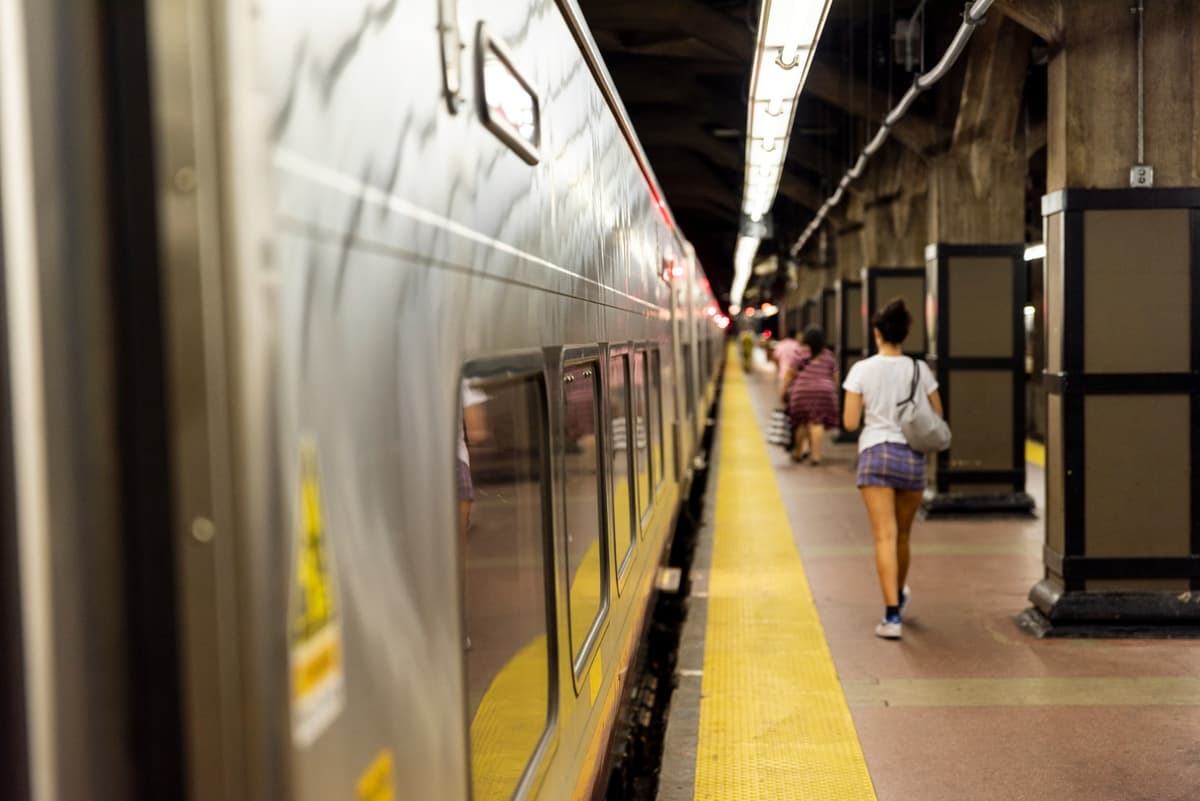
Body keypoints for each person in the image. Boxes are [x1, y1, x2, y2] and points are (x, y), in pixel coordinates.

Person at [841, 298, 943, 640]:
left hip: (875, 454)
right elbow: (936, 417)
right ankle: (898, 596)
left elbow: (850, 421)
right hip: (911, 457)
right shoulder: (919, 370)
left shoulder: (861, 370)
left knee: (883, 536)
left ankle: (892, 617)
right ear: (904, 334)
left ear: (877, 333)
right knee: (902, 535)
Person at [780, 326, 839, 465]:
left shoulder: (799, 354)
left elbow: (789, 375)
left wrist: (783, 391)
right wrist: (832, 391)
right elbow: (835, 377)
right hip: (824, 392)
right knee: (817, 423)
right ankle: (816, 456)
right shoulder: (829, 356)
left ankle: (799, 453)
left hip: (801, 392)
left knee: (801, 422)